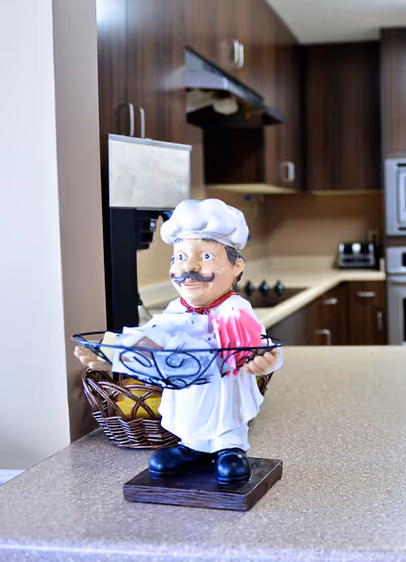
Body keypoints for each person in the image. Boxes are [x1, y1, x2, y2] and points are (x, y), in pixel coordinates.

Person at [75, 198, 281, 484]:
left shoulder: (235, 309)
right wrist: (113, 356)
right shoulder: (175, 310)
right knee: (188, 415)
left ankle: (229, 448)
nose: (189, 267)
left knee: (224, 415)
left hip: (224, 390)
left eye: (206, 257)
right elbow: (149, 343)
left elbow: (260, 342)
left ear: (236, 267)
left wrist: (266, 359)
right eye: (180, 257)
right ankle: (191, 447)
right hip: (185, 390)